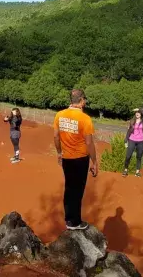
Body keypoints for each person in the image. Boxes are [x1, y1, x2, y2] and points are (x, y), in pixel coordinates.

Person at [53, 89, 98, 231]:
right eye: (84, 100)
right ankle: (75, 222)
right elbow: (89, 143)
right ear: (82, 100)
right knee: (77, 190)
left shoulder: (59, 115)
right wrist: (95, 161)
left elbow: (56, 136)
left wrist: (59, 152)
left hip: (66, 158)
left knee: (69, 188)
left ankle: (69, 219)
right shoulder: (85, 119)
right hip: (80, 159)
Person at [122, 107, 143, 178]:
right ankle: (125, 170)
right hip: (132, 140)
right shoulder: (132, 121)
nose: (137, 114)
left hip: (141, 141)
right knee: (128, 156)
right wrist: (126, 139)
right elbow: (129, 130)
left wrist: (139, 109)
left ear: (141, 114)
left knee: (139, 157)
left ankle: (137, 172)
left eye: (139, 113)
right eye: (136, 112)